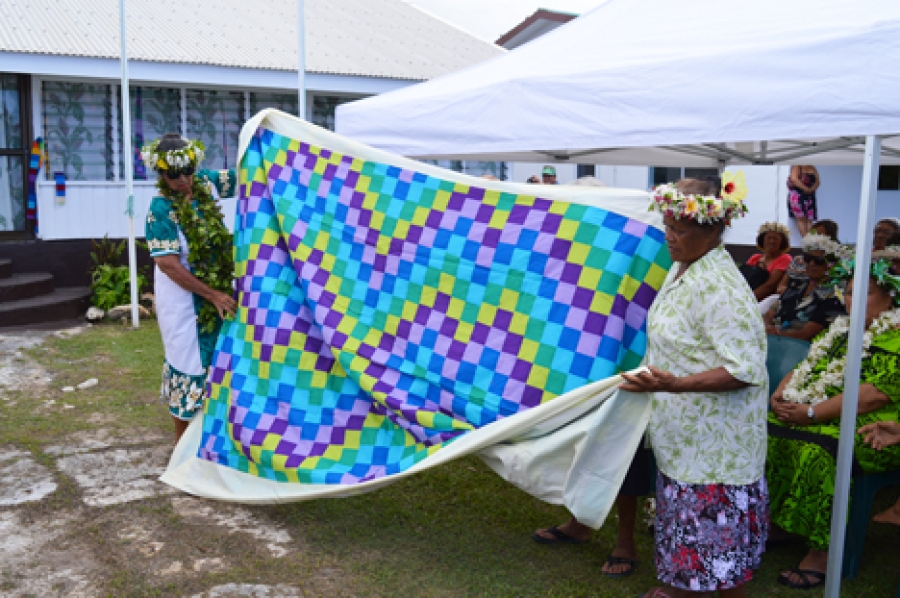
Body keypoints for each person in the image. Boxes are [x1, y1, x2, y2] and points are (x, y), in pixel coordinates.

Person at [624, 175, 768, 598]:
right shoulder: (685, 266)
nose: (669, 238)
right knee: (692, 537)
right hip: (686, 438)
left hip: (715, 451)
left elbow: (744, 369)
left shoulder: (721, 288)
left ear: (713, 230)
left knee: (719, 554)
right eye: (667, 226)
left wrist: (678, 385)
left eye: (680, 230)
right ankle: (684, 589)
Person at [767, 258, 900, 590]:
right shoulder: (839, 330)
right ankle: (777, 524)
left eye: (864, 294)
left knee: (821, 451)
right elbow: (808, 365)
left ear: (892, 298)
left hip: (875, 428)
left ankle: (823, 552)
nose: (852, 301)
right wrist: (782, 395)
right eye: (850, 293)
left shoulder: (896, 336)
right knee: (762, 432)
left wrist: (811, 413)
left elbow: (872, 396)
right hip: (816, 410)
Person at [142, 133, 237, 443]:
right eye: (173, 174)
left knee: (220, 364)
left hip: (217, 294)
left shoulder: (206, 184)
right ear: (161, 174)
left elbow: (246, 177)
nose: (183, 180)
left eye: (188, 171)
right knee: (189, 367)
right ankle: (184, 454)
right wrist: (212, 295)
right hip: (183, 304)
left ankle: (215, 442)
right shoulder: (160, 210)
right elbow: (168, 264)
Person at [763, 248, 845, 342]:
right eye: (808, 259)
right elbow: (769, 314)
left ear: (831, 266)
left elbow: (805, 335)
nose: (811, 263)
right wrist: (768, 327)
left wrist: (774, 335)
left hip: (798, 348)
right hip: (771, 340)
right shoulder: (796, 286)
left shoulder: (833, 297)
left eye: (818, 261)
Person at [778, 219, 841, 293]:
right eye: (812, 234)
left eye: (819, 235)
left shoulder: (833, 262)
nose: (814, 238)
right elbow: (781, 287)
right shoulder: (798, 259)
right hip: (790, 297)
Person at [741, 221, 792, 301]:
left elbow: (769, 286)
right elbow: (742, 279)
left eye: (776, 239)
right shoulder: (755, 258)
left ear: (782, 242)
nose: (772, 241)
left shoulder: (785, 259)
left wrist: (747, 299)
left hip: (767, 300)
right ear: (763, 240)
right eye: (769, 238)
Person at [787, 165, 820, 237]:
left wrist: (811, 189)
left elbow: (818, 181)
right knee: (801, 218)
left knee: (809, 219)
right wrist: (806, 189)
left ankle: (811, 240)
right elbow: (794, 179)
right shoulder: (797, 166)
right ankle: (806, 240)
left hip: (810, 196)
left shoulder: (812, 167)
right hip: (798, 196)